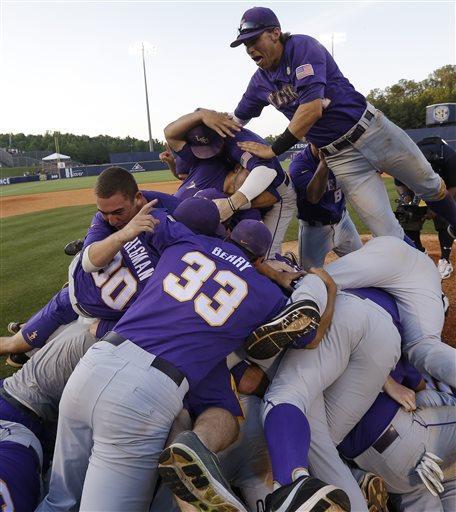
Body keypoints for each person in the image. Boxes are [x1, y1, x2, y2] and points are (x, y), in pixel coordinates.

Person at [37, 202, 324, 512]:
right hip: (147, 393)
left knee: (59, 500)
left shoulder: (186, 240)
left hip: (95, 363)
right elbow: (307, 334)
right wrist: (285, 279)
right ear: (261, 258)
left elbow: (156, 217)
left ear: (227, 233)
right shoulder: (265, 292)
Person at [229, 7, 456, 242]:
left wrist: (274, 149)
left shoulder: (301, 47)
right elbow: (236, 121)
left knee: (430, 185)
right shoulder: (259, 83)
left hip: (372, 130)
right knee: (387, 233)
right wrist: (206, 120)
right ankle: (415, 271)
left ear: (275, 33)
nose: (250, 49)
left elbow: (311, 109)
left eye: (254, 39)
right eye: (245, 45)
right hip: (340, 157)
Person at [164, 108, 297, 257]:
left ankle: (281, 261)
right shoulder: (204, 162)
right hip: (239, 195)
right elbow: (170, 134)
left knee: (265, 255)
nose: (207, 155)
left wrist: (232, 204)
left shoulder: (240, 141)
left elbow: (268, 180)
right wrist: (201, 115)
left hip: (277, 190)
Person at [289, 143, 362, 268]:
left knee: (362, 263)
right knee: (311, 277)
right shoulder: (299, 164)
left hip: (343, 221)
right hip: (314, 229)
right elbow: (314, 197)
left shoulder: (341, 156)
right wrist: (324, 163)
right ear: (310, 140)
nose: (327, 145)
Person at [395, 137, 456, 279]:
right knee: (407, 215)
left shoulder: (450, 158)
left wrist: (436, 209)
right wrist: (406, 199)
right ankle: (420, 253)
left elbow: (453, 189)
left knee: (446, 216)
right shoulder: (404, 160)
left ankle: (445, 260)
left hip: (445, 187)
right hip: (415, 188)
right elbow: (399, 183)